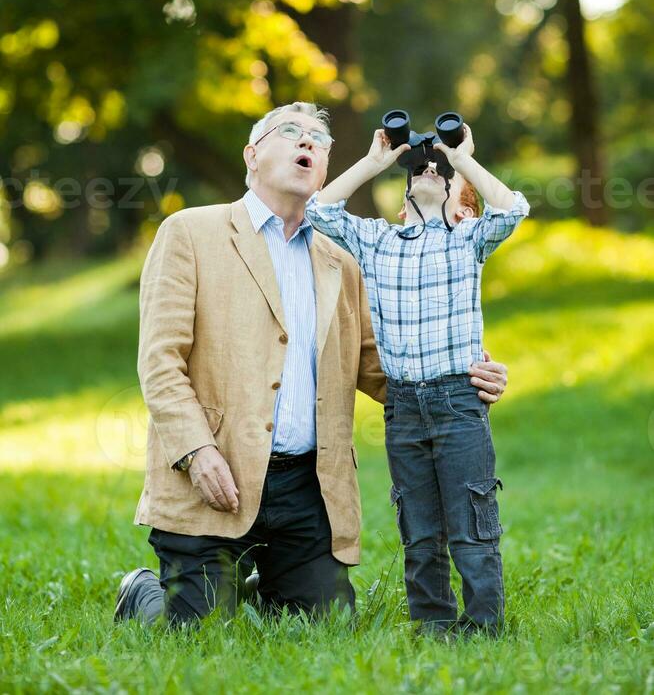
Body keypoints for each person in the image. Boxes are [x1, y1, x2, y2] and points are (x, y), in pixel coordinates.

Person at [113, 103, 510, 628]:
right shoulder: (190, 232)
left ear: (324, 169)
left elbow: (377, 365)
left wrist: (462, 377)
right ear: (252, 156)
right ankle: (144, 591)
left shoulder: (341, 257)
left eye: (319, 140)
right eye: (291, 132)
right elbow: (160, 362)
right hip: (215, 480)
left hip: (307, 491)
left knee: (326, 627)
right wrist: (196, 451)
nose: (308, 142)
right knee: (199, 632)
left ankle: (252, 584)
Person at [305, 123, 529, 636]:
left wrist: (462, 158)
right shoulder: (380, 242)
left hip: (457, 402)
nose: (430, 171)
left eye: (441, 174)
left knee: (472, 524)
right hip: (402, 407)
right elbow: (320, 211)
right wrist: (376, 162)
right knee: (419, 528)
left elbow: (513, 209)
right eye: (421, 170)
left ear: (463, 209)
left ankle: (484, 626)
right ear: (401, 203)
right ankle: (433, 624)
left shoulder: (467, 241)